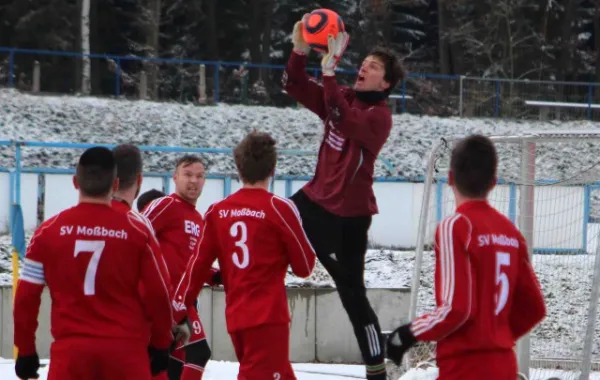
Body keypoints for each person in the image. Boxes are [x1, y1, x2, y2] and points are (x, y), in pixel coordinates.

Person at [281, 14, 405, 380]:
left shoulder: (379, 117)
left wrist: (331, 73)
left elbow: (343, 119)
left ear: (387, 82)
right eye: (363, 62)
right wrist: (299, 51)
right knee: (269, 217)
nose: (364, 67)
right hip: (315, 200)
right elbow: (294, 85)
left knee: (352, 294)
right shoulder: (346, 94)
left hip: (345, 218)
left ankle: (376, 368)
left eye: (373, 66)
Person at [385, 135, 547, 379]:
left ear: (450, 177)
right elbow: (535, 308)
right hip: (504, 365)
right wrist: (495, 337)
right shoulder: (511, 233)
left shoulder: (456, 226)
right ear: (494, 182)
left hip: (465, 367)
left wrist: (407, 334)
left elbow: (455, 309)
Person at [13, 147, 174, 380]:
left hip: (71, 358)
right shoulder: (137, 232)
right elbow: (159, 293)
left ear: (75, 182)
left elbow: (26, 296)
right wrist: (161, 343)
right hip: (125, 356)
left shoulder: (47, 233)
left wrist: (25, 349)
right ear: (116, 184)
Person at [171, 131, 317, 380]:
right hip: (268, 317)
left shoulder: (217, 212)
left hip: (237, 316)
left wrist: (176, 313)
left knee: (280, 374)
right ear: (273, 170)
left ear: (238, 169)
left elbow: (195, 268)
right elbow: (305, 266)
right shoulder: (279, 208)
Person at [143, 155, 220, 380]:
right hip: (164, 299)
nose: (193, 181)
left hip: (183, 302)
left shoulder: (199, 219)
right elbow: (137, 234)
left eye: (199, 176)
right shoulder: (166, 204)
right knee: (198, 351)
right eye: (187, 175)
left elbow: (193, 263)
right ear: (175, 178)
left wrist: (217, 276)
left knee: (171, 363)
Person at [111, 143, 174, 378]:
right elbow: (158, 292)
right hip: (128, 346)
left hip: (74, 349)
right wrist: (161, 342)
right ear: (139, 179)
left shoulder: (64, 225)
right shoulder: (139, 227)